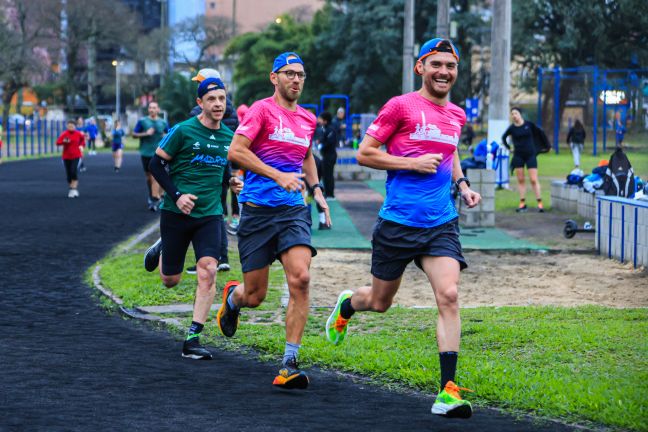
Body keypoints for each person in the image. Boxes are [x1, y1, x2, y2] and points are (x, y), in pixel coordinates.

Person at [324, 38, 481, 419]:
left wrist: (462, 185)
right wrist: (410, 164)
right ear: (421, 68)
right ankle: (348, 304)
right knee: (379, 303)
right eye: (436, 64)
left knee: (449, 294)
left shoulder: (457, 115)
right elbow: (365, 153)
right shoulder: (401, 106)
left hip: (440, 223)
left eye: (450, 65)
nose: (444, 71)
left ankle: (447, 390)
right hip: (397, 223)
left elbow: (450, 152)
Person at [219, 52, 331, 389]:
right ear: (274, 78)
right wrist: (277, 174)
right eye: (289, 74)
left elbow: (306, 154)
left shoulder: (308, 120)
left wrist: (317, 188)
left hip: (293, 210)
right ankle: (232, 299)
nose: (296, 80)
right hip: (257, 210)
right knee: (255, 296)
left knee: (301, 278)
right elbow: (236, 151)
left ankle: (289, 363)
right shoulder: (260, 111)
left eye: (300, 74)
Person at [142, 77, 233, 360]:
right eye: (212, 99)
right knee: (170, 280)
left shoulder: (230, 136)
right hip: (175, 213)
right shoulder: (183, 130)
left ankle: (192, 338)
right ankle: (160, 249)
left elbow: (223, 169)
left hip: (210, 216)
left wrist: (232, 183)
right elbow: (156, 164)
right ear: (200, 103)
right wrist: (178, 194)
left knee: (208, 271)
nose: (218, 104)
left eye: (221, 98)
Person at [185, 68, 236, 275]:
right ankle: (220, 257)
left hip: (205, 167)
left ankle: (208, 259)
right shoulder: (230, 109)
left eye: (200, 82)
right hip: (224, 166)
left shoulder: (201, 112)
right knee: (218, 211)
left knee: (204, 213)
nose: (198, 85)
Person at [501, 107, 544, 212]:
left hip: (530, 155)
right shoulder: (512, 128)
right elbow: (504, 137)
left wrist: (541, 147)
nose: (514, 115)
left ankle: (539, 203)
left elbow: (539, 134)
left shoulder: (529, 125)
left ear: (520, 114)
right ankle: (522, 203)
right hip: (518, 156)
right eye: (512, 114)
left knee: (533, 179)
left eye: (516, 113)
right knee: (520, 180)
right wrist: (509, 148)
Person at [133, 101, 169, 211]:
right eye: (150, 108)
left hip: (159, 153)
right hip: (145, 153)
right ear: (148, 110)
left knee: (155, 176)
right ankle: (153, 195)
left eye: (154, 108)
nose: (152, 109)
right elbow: (134, 134)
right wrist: (145, 133)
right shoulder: (143, 121)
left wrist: (165, 135)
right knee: (149, 178)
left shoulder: (163, 122)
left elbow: (170, 134)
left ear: (158, 110)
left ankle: (155, 200)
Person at [56, 119, 86, 198]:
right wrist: (64, 141)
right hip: (66, 156)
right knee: (69, 174)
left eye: (72, 126)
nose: (70, 127)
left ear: (75, 126)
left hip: (76, 156)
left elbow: (83, 141)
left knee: (73, 171)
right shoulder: (64, 134)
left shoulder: (78, 134)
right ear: (67, 126)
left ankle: (73, 189)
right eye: (69, 126)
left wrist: (81, 146)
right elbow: (57, 142)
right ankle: (71, 188)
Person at [317, 111, 337, 199]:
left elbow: (329, 142)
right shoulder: (324, 128)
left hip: (330, 156)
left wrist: (321, 145)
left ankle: (330, 194)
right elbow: (324, 139)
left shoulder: (330, 129)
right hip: (325, 155)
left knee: (329, 175)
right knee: (325, 174)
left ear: (325, 120)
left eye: (321, 119)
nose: (319, 120)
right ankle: (327, 193)